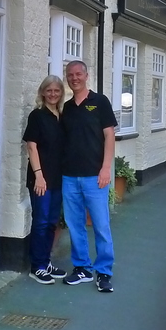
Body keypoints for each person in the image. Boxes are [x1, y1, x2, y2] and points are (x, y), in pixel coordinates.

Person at [59, 60, 118, 293]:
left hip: (95, 176)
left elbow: (109, 136)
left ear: (86, 76)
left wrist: (106, 168)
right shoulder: (67, 108)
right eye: (70, 75)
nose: (74, 78)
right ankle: (82, 267)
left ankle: (104, 271)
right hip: (69, 177)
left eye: (78, 74)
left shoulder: (100, 102)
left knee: (101, 226)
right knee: (75, 225)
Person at [22, 76, 67, 284]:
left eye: (56, 90)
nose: (53, 94)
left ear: (61, 93)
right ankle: (37, 266)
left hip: (58, 178)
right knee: (40, 222)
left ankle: (46, 261)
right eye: (49, 90)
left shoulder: (62, 117)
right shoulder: (37, 116)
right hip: (41, 179)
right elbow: (31, 147)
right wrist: (39, 175)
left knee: (51, 222)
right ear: (42, 92)